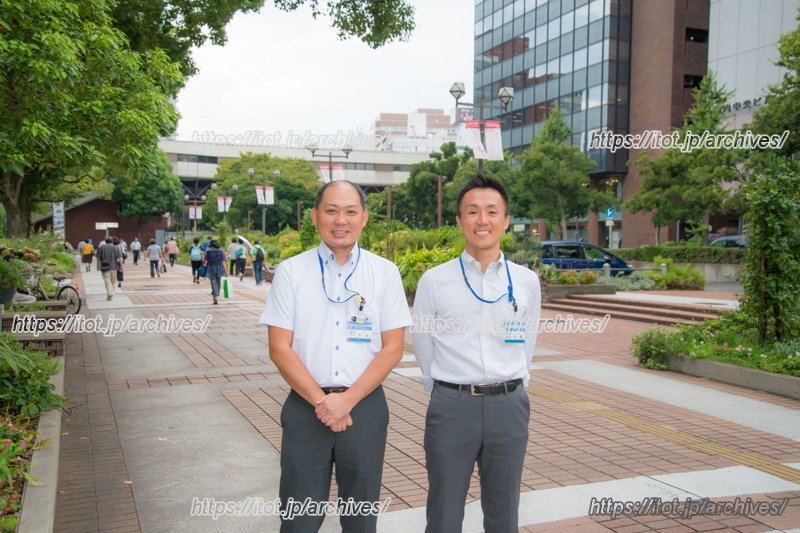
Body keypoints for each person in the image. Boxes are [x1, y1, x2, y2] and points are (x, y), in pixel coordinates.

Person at [260, 180, 410, 532]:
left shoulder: (384, 273)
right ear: (315, 217)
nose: (340, 220)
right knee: (299, 518)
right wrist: (322, 401)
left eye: (349, 211)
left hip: (365, 408)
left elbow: (393, 348)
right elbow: (279, 348)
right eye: (331, 211)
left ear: (364, 218)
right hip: (304, 407)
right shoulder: (291, 272)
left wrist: (347, 401)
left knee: (360, 517)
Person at [412, 173, 542, 533]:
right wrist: (442, 390)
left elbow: (527, 340)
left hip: (509, 405)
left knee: (504, 512)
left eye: (491, 211)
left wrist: (513, 381)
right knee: (444, 512)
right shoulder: (435, 280)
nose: (482, 220)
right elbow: (423, 343)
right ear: (458, 220)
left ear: (505, 220)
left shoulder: (525, 281)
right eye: (472, 212)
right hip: (452, 406)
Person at [203, 240, 227, 304]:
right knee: (218, 282)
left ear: (211, 245)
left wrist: (204, 263)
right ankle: (215, 295)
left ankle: (215, 296)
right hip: (219, 268)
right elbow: (223, 262)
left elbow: (205, 262)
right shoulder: (221, 252)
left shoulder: (208, 252)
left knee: (213, 282)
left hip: (211, 268)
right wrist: (226, 271)